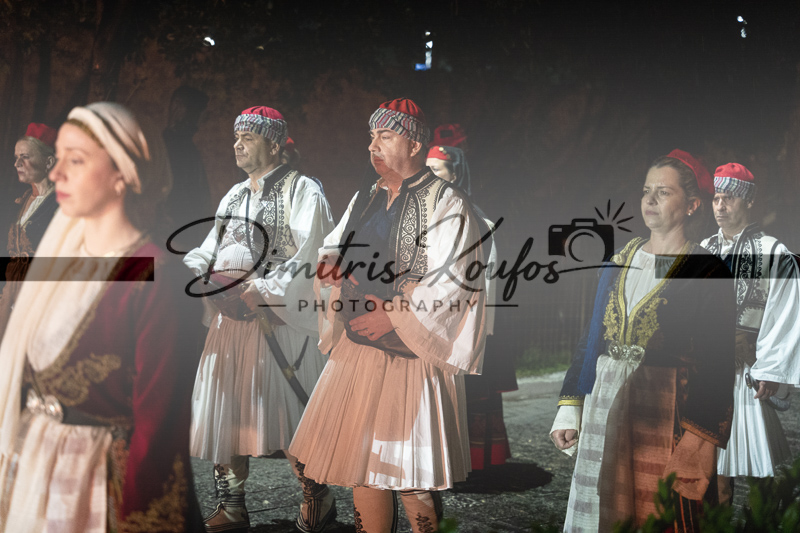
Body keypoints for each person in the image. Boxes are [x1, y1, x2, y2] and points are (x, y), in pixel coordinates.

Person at [0, 102, 202, 532]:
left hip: (95, 479)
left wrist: (140, 512)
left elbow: (160, 423)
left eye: (75, 160)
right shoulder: (63, 260)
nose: (57, 173)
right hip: (36, 465)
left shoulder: (155, 275)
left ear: (122, 173)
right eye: (59, 158)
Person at [289, 98, 488, 532]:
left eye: (385, 135)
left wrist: (394, 317)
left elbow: (455, 279)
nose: (372, 146)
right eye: (371, 136)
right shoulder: (367, 197)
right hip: (359, 349)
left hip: (410, 353)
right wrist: (331, 269)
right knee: (364, 464)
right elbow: (331, 247)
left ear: (415, 144)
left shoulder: (447, 202)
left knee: (410, 472)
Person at [550, 149, 736, 531]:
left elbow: (717, 364)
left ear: (692, 205)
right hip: (606, 402)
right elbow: (592, 336)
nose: (650, 199)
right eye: (646, 190)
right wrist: (570, 405)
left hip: (665, 412)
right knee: (603, 512)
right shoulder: (620, 258)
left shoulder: (708, 271)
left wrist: (697, 443)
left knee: (659, 512)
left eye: (664, 192)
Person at [182, 106, 336, 532]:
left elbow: (314, 252)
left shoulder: (302, 190)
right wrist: (194, 270)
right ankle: (232, 506)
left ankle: (317, 498)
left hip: (279, 322)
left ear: (274, 144)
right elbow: (211, 246)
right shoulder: (233, 195)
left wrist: (264, 290)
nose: (237, 145)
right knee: (227, 413)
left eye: (247, 138)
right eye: (236, 137)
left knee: (291, 410)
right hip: (231, 322)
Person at [700, 162, 800, 503]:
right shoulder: (703, 249)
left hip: (746, 370)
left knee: (758, 468)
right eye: (716, 198)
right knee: (713, 470)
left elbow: (785, 314)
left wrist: (770, 369)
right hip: (704, 370)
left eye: (729, 198)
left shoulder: (774, 252)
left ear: (749, 201)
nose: (720, 206)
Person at [426, 145, 516, 471]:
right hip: (430, 316)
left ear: (454, 175)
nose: (428, 176)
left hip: (461, 320)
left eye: (436, 170)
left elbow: (482, 277)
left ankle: (475, 460)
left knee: (471, 394)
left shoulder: (475, 218)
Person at [0, 124, 60, 337]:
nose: (17, 164)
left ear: (48, 162)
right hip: (8, 296)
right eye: (16, 157)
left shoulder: (60, 206)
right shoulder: (19, 202)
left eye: (24, 157)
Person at [162, 85, 213, 249]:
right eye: (195, 113)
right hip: (174, 236)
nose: (198, 122)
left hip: (187, 235)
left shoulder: (187, 148)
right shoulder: (167, 148)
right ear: (178, 107)